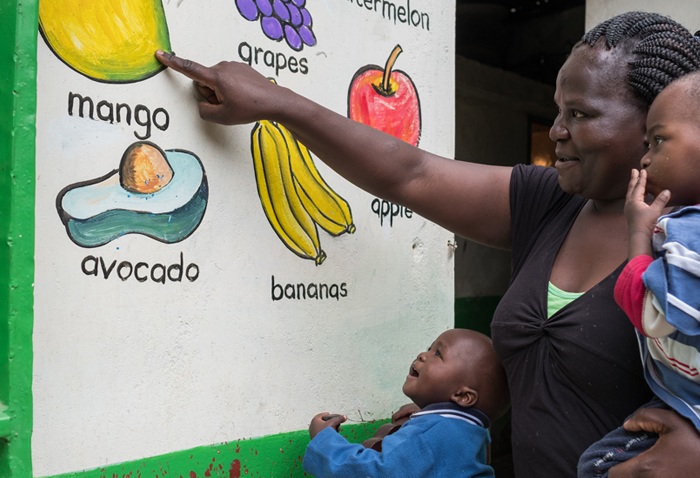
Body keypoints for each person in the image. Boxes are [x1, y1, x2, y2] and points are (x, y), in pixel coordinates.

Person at [154, 10, 700, 477]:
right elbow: (410, 175)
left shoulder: (687, 244)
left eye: (579, 115)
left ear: (652, 123)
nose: (557, 131)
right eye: (558, 111)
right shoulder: (549, 203)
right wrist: (276, 102)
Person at [578, 70, 700, 478]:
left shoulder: (689, 232)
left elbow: (651, 314)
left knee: (597, 466)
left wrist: (638, 233)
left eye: (658, 141)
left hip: (691, 412)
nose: (644, 158)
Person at [302, 328, 509, 477]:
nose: (423, 355)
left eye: (438, 354)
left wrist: (325, 442)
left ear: (463, 397)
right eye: (429, 348)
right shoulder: (472, 432)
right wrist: (427, 409)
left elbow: (374, 472)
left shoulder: (429, 434)